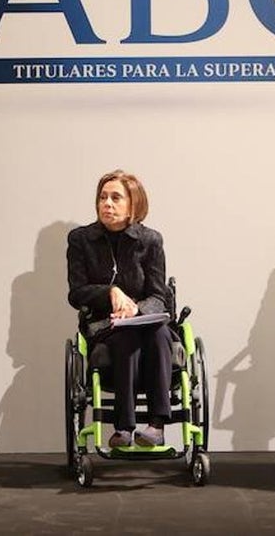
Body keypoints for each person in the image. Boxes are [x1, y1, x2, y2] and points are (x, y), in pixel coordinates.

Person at [67, 169, 172, 449]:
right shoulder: (80, 240)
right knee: (126, 335)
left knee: (161, 333)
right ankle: (123, 427)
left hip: (146, 321)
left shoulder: (150, 241)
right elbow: (76, 293)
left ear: (133, 204)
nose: (107, 204)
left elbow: (159, 295)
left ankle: (156, 426)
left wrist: (136, 311)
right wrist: (110, 292)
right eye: (103, 197)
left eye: (116, 198)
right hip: (105, 325)